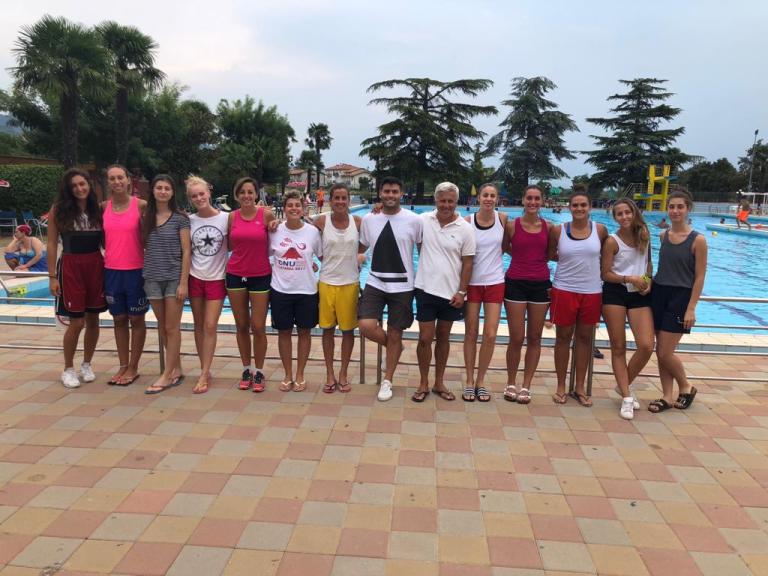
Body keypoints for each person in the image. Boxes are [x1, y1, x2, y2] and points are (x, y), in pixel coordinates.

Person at [358, 176, 422, 401]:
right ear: (380, 193)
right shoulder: (369, 219)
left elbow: (423, 251)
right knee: (365, 325)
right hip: (375, 282)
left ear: (401, 193)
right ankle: (395, 348)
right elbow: (362, 244)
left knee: (396, 332)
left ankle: (387, 381)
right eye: (386, 191)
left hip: (403, 286)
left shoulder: (415, 220)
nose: (390, 195)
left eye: (395, 191)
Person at [412, 182, 474, 402]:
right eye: (442, 200)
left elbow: (468, 263)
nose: (446, 205)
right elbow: (402, 225)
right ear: (435, 201)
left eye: (450, 201)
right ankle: (423, 382)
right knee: (424, 338)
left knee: (444, 338)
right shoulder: (422, 221)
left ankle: (439, 382)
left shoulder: (465, 228)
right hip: (426, 289)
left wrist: (462, 291)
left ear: (456, 202)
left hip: (451, 294)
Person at [47, 169, 107, 388]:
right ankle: (68, 368)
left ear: (89, 185)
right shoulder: (58, 211)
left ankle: (87, 364)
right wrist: (52, 276)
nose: (80, 189)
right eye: (74, 186)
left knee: (93, 320)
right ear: (68, 189)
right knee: (76, 322)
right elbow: (52, 243)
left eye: (83, 184)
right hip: (71, 265)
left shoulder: (98, 210)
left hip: (95, 265)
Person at [549, 187, 608, 406]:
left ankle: (580, 386)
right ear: (569, 207)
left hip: (592, 291)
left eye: (583, 205)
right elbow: (549, 254)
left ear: (590, 207)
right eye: (575, 205)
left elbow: (608, 256)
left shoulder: (600, 230)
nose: (579, 208)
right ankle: (561, 386)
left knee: (585, 339)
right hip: (564, 289)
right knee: (563, 338)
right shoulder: (558, 230)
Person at [649, 191, 707, 413]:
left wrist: (691, 307)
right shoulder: (663, 236)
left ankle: (686, 385)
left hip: (681, 296)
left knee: (665, 351)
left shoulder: (698, 240)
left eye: (680, 207)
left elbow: (700, 276)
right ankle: (666, 395)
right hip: (659, 293)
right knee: (659, 350)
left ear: (688, 209)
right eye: (671, 206)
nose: (675, 211)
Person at [601, 198, 654, 419]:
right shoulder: (612, 242)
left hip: (639, 293)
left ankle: (623, 383)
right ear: (615, 217)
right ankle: (626, 396)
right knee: (618, 347)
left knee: (646, 345)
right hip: (615, 292)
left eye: (627, 212)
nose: (624, 217)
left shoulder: (645, 236)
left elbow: (649, 264)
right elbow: (605, 274)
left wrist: (648, 281)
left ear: (634, 212)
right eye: (619, 214)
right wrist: (628, 278)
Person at [503, 185, 553, 404]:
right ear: (523, 200)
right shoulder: (512, 226)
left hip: (541, 284)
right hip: (515, 282)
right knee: (516, 337)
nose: (533, 202)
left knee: (535, 337)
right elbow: (505, 247)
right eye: (529, 198)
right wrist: (523, 260)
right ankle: (511, 382)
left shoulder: (549, 227)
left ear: (542, 201)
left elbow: (551, 253)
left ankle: (527, 385)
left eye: (537, 198)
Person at [142, 175, 191, 394]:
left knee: (172, 327)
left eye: (167, 188)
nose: (163, 191)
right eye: (159, 188)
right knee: (163, 327)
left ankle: (167, 373)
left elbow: (187, 251)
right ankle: (177, 368)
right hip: (152, 277)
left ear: (172, 192)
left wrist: (183, 282)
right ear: (153, 191)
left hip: (173, 279)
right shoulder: (146, 218)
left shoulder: (180, 218)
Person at [313, 184, 364, 393]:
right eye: (337, 198)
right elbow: (308, 242)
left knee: (347, 331)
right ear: (330, 201)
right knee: (327, 330)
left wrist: (357, 257)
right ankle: (329, 373)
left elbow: (367, 242)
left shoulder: (359, 222)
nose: (341, 202)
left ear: (349, 200)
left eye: (344, 198)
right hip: (327, 282)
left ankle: (343, 372)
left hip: (349, 284)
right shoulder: (321, 221)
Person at [270, 191, 322, 391]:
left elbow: (322, 256)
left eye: (297, 205)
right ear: (284, 208)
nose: (294, 208)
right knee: (283, 333)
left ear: (303, 208)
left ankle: (300, 373)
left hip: (306, 290)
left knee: (304, 332)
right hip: (280, 290)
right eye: (290, 205)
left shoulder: (312, 232)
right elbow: (265, 253)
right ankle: (287, 374)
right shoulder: (274, 231)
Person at [226, 177, 275, 392]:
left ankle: (260, 371)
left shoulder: (266, 214)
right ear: (237, 196)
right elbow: (228, 245)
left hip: (260, 275)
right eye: (242, 192)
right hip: (235, 274)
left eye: (250, 192)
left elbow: (277, 238)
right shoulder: (231, 217)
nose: (246, 196)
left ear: (256, 194)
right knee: (241, 326)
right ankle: (246, 368)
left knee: (258, 326)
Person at [102, 164, 148, 386]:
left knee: (136, 318)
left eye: (121, 177)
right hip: (111, 271)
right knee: (118, 319)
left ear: (129, 180)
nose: (117, 182)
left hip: (136, 270)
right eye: (112, 178)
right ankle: (122, 364)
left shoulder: (141, 206)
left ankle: (133, 366)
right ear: (108, 182)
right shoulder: (103, 207)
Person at [463, 184, 508, 402]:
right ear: (478, 198)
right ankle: (469, 380)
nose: (488, 199)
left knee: (490, 334)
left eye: (492, 196)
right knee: (471, 333)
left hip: (495, 282)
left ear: (497, 199)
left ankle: (481, 380)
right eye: (485, 195)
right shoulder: (467, 222)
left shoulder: (503, 219)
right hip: (472, 283)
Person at [187, 176, 228, 394]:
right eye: (194, 196)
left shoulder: (226, 219)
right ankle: (205, 367)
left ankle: (203, 373)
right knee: (198, 324)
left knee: (210, 325)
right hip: (195, 277)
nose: (199, 198)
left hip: (216, 278)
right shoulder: (189, 220)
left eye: (201, 194)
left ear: (209, 193)